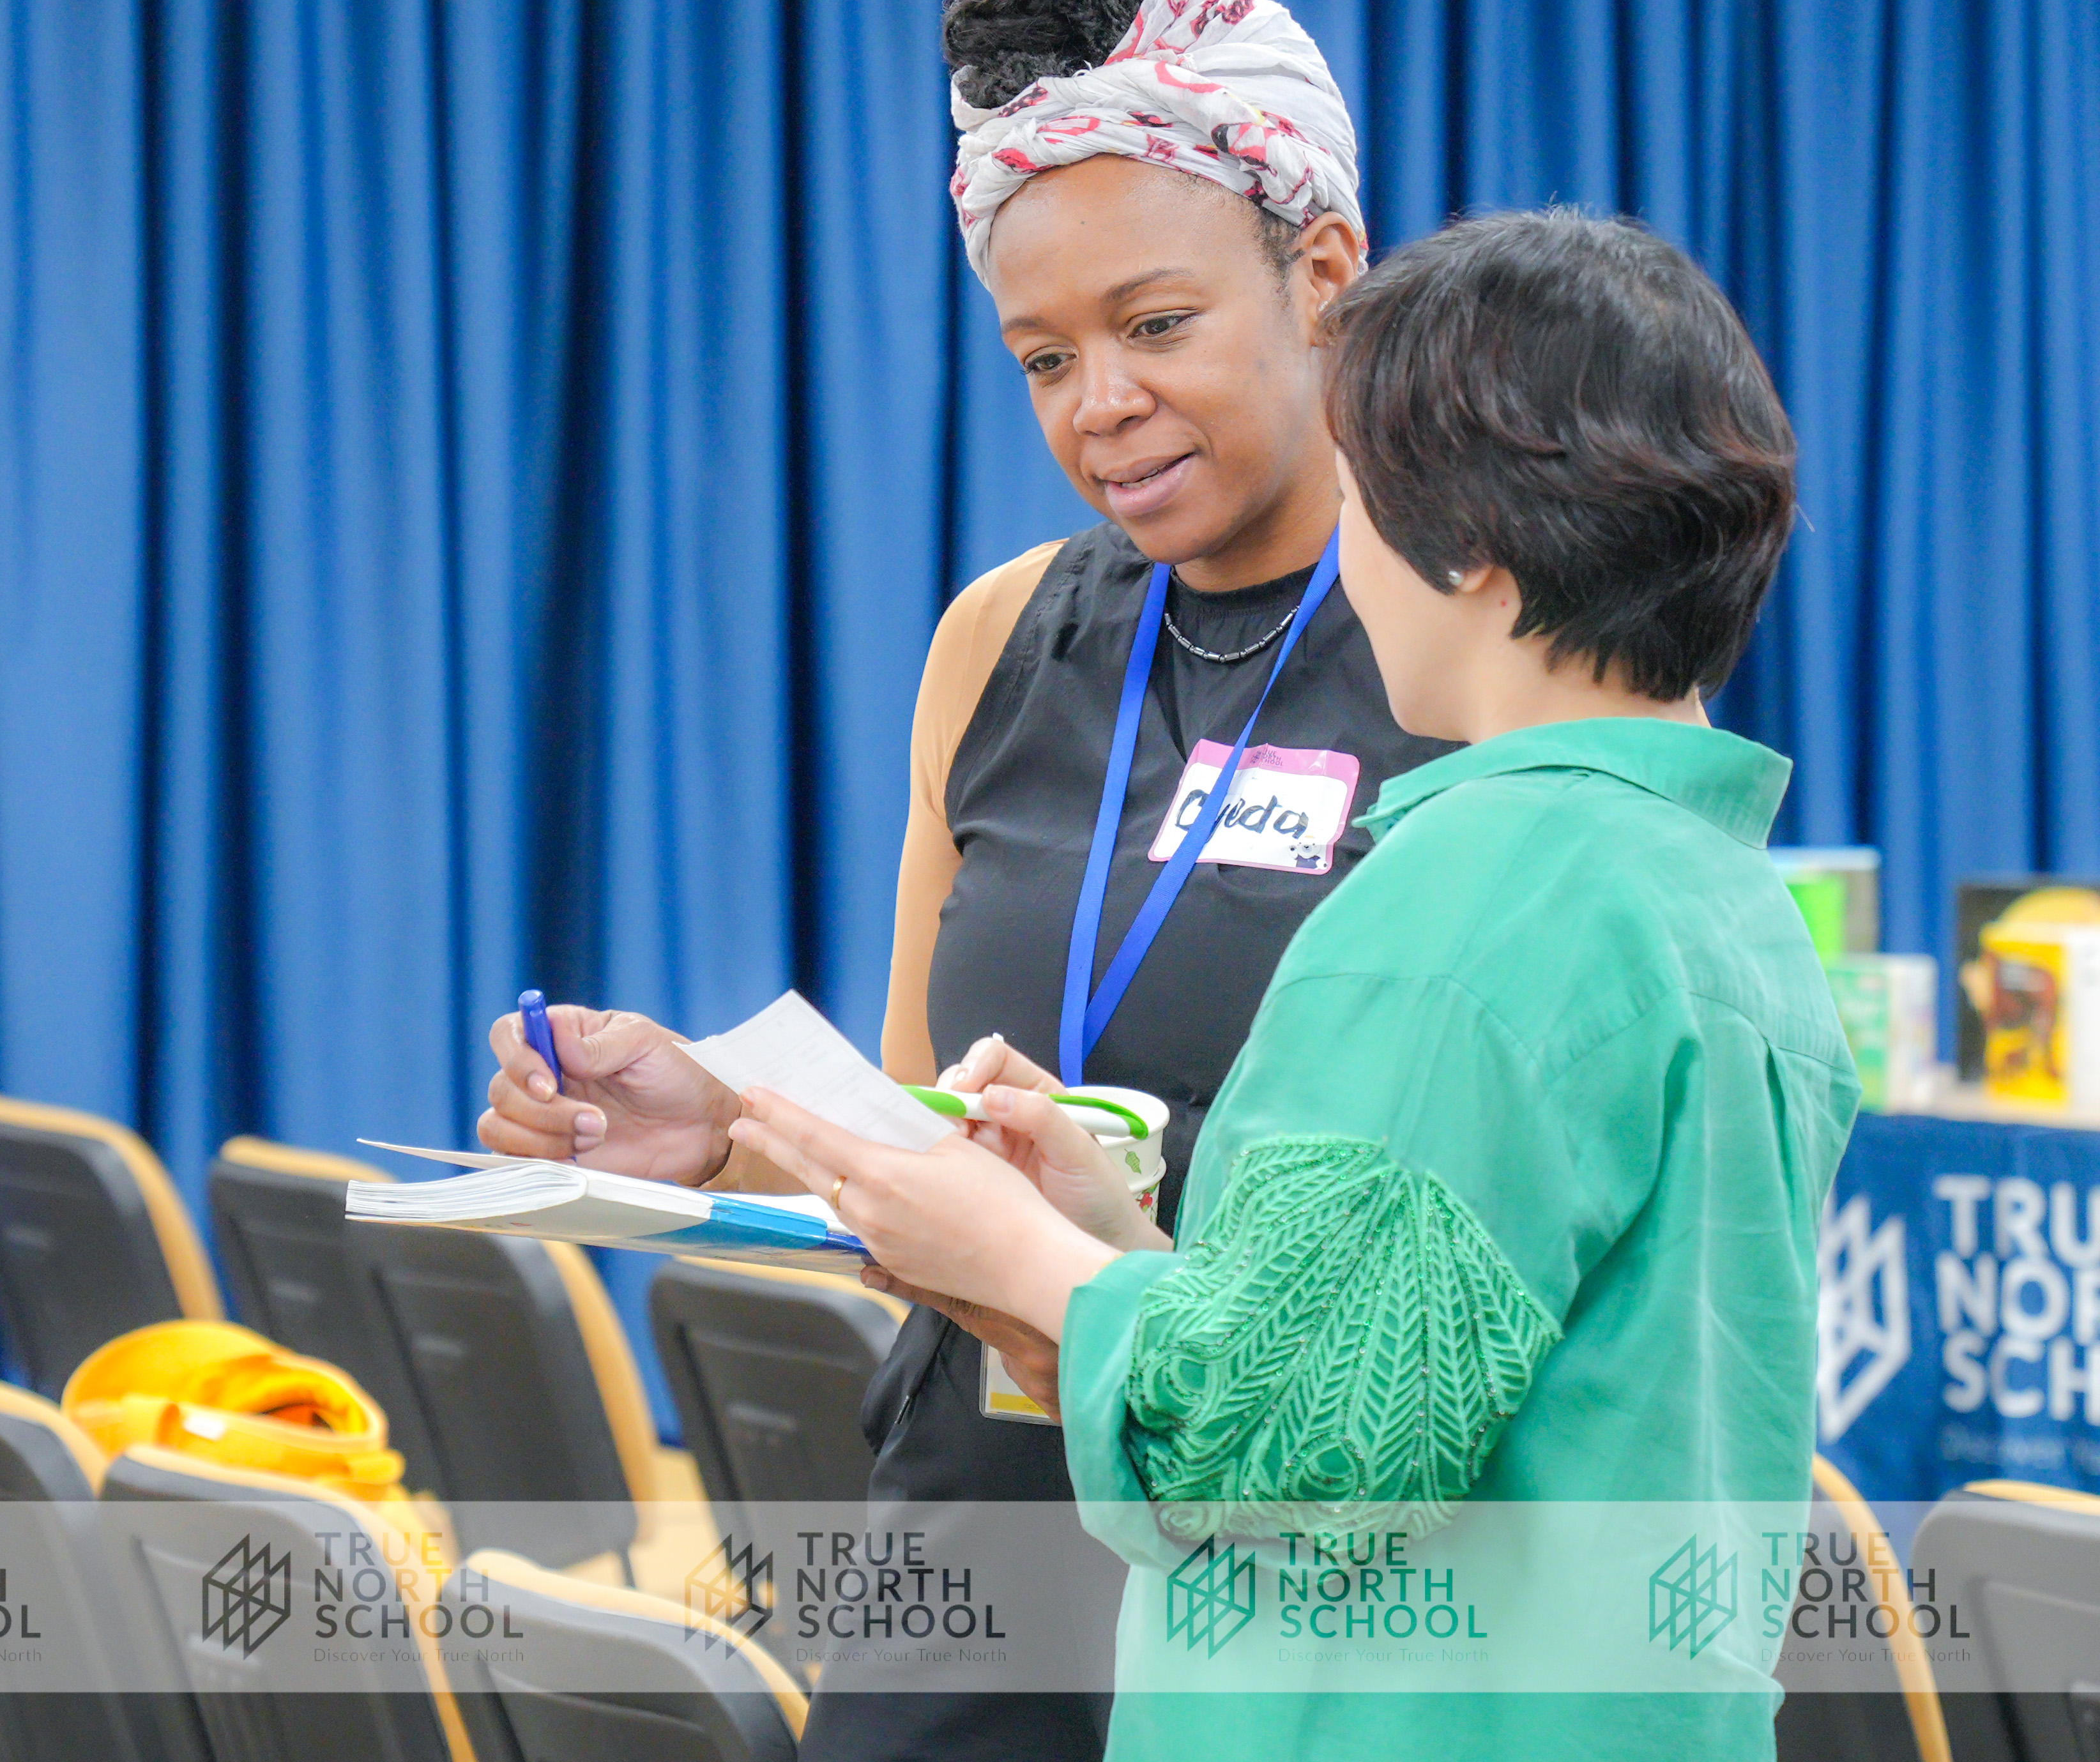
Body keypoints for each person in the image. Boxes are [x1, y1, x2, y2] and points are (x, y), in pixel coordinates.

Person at [477, 0, 1447, 1761]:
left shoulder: (1471, 650)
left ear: (1326, 271)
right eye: (1043, 359)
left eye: (1156, 326)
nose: (1103, 409)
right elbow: (936, 1123)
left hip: (1291, 1570)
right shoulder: (1004, 639)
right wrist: (725, 1128)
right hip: (975, 1547)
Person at [727, 206, 1859, 1760]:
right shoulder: (1715, 895)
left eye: (1361, 497)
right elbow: (1446, 1340)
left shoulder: (1469, 893)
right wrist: (1114, 1235)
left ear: (1465, 544)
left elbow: (1296, 1449)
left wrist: (1022, 1256)